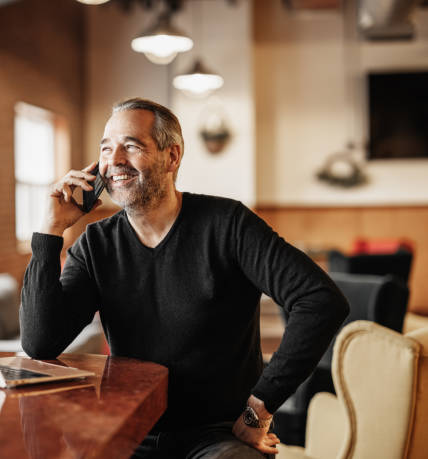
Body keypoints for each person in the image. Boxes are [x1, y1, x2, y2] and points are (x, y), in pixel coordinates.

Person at [20, 98, 349, 458]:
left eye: (131, 145)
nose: (113, 160)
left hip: (219, 435)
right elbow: (41, 342)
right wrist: (49, 231)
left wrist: (260, 407)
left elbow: (320, 300)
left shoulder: (229, 224)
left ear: (172, 157)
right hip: (128, 428)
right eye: (106, 148)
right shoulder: (97, 245)